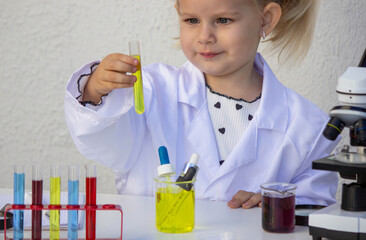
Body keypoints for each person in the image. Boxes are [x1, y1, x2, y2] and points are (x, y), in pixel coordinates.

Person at [64, 0, 339, 209]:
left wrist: (277, 204)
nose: (204, 36)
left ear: (265, 20)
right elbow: (99, 140)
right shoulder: (151, 91)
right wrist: (94, 91)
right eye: (192, 20)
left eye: (222, 20)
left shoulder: (309, 127)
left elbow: (315, 207)